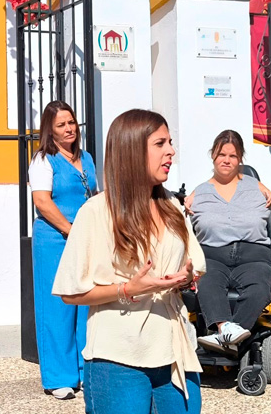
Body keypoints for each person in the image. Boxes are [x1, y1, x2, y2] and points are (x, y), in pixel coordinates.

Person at [52, 109, 205, 413]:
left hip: (175, 349)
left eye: (170, 142)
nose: (171, 151)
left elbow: (194, 262)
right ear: (132, 151)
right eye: (160, 143)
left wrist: (185, 278)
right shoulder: (95, 212)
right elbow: (70, 293)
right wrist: (127, 289)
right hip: (118, 357)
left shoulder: (172, 206)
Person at [184, 129, 271, 355]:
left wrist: (258, 184)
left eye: (233, 156)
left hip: (254, 257)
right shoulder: (199, 194)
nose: (226, 160)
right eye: (221, 154)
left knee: (261, 285)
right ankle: (226, 329)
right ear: (212, 155)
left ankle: (225, 336)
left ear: (240, 159)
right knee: (206, 281)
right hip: (213, 257)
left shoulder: (257, 188)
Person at [28, 100, 97, 400]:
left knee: (86, 302)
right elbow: (42, 201)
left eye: (71, 122)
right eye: (61, 125)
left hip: (85, 238)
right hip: (55, 239)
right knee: (57, 307)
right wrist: (70, 229)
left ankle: (85, 371)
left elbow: (94, 194)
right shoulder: (43, 160)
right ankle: (58, 377)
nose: (69, 128)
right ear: (50, 130)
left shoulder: (87, 157)